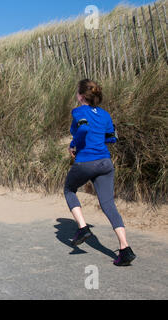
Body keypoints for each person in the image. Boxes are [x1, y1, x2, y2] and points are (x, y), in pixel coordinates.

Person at [64, 79, 136, 267]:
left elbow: (84, 128)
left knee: (69, 189)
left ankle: (82, 228)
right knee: (108, 204)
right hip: (105, 162)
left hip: (86, 161)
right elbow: (112, 138)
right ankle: (125, 248)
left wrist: (74, 145)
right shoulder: (105, 115)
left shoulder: (79, 111)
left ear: (81, 96)